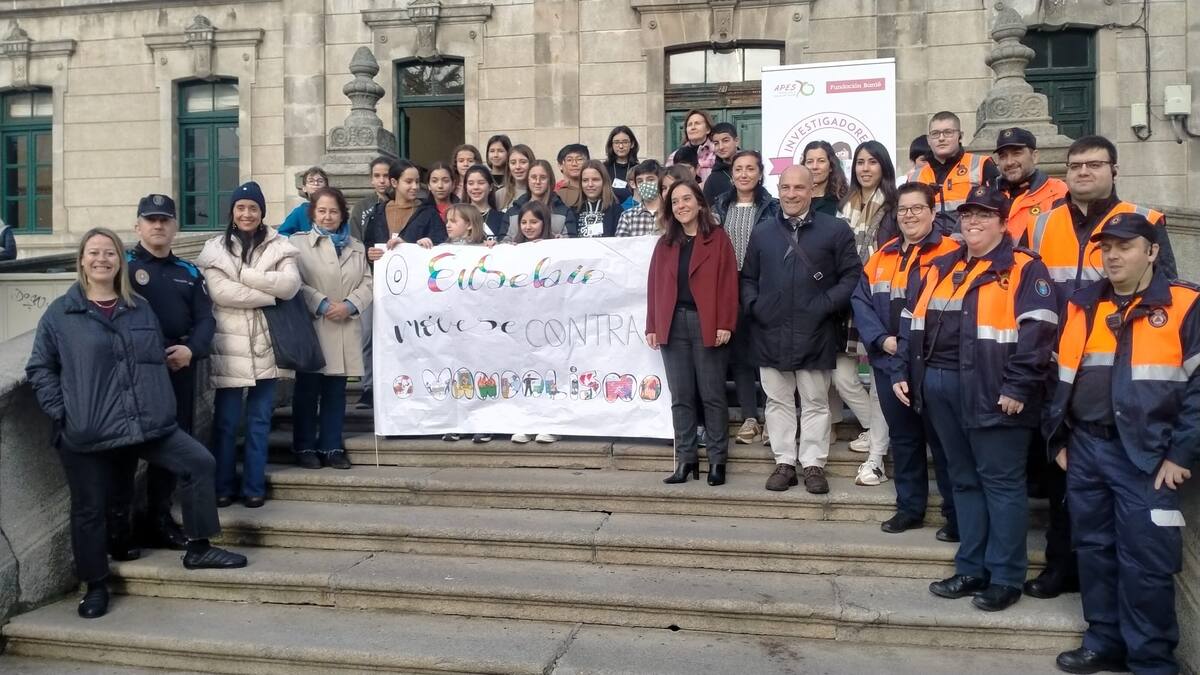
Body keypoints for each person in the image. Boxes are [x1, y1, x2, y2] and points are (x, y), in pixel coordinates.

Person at [27, 227, 248, 619]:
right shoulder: (62, 314)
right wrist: (63, 411)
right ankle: (95, 585)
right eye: (94, 253)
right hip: (89, 429)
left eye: (109, 253)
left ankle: (199, 548)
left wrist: (159, 396)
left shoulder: (138, 307)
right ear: (81, 260)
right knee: (89, 509)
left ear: (119, 261)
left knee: (198, 462)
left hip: (144, 422)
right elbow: (40, 368)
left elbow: (151, 357)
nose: (102, 259)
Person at [1024, 134, 1178, 602]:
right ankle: (1061, 566)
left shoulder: (1144, 220)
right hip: (1056, 366)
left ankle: (1106, 585)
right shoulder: (1042, 223)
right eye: (1075, 165)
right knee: (1059, 474)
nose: (1083, 172)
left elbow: (1165, 296)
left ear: (1114, 169)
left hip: (1117, 369)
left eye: (1094, 164)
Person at [1043, 212, 1198, 675]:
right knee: (1093, 551)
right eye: (1106, 247)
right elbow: (1059, 376)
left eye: (1124, 246)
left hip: (1148, 456)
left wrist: (1181, 452)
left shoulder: (1184, 304)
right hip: (1087, 450)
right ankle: (1104, 641)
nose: (1112, 255)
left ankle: (1151, 660)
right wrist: (1059, 438)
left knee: (1146, 562)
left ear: (1152, 252)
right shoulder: (1083, 304)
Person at [895, 187, 1057, 613]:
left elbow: (1039, 334)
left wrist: (1018, 387)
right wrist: (905, 374)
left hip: (995, 392)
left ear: (1003, 223)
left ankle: (1005, 577)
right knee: (963, 481)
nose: (973, 222)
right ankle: (971, 568)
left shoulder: (1025, 268)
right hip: (939, 389)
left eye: (984, 215)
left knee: (1001, 485)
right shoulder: (942, 266)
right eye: (967, 215)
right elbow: (912, 324)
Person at [741, 165, 861, 495]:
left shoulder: (835, 229)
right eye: (785, 187)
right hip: (770, 330)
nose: (791, 194)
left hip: (816, 329)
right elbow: (748, 277)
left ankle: (813, 465)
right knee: (777, 400)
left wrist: (825, 305)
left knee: (816, 401)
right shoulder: (763, 231)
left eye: (798, 188)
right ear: (778, 190)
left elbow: (852, 276)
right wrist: (755, 306)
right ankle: (784, 462)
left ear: (811, 191)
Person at [107, 194, 215, 554]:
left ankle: (160, 518)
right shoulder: (121, 266)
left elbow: (206, 319)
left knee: (175, 444)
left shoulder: (189, 272)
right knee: (124, 449)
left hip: (178, 367)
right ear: (137, 226)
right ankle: (119, 527)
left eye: (164, 220)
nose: (158, 225)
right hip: (132, 373)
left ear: (175, 227)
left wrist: (191, 350)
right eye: (151, 220)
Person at [852, 183, 959, 538]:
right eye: (903, 209)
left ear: (933, 212)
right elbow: (861, 301)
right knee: (904, 439)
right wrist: (882, 340)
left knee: (944, 442)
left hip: (934, 365)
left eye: (917, 208)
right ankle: (910, 508)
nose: (909, 215)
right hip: (889, 363)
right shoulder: (882, 255)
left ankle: (956, 514)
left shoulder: (953, 252)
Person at [196, 181, 302, 508]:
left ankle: (254, 486)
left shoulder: (280, 244)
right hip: (228, 346)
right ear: (232, 212)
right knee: (226, 422)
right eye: (240, 208)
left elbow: (290, 285)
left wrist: (244, 276)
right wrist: (268, 295)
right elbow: (220, 292)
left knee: (259, 422)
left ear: (261, 212)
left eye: (253, 208)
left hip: (267, 343)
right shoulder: (214, 248)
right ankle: (223, 485)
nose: (246, 214)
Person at [647, 180, 739, 486]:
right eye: (675, 202)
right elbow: (654, 287)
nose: (681, 206)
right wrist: (652, 325)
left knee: (712, 395)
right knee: (681, 396)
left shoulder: (718, 238)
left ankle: (717, 460)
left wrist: (725, 322)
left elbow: (729, 283)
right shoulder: (665, 244)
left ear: (699, 203)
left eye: (686, 199)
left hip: (706, 321)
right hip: (672, 324)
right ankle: (685, 460)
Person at [290, 187, 372, 470]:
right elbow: (294, 282)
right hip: (313, 326)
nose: (328, 216)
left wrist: (350, 304)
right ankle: (304, 446)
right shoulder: (297, 244)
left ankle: (331, 446)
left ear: (342, 214)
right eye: (322, 211)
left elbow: (368, 282)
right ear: (313, 213)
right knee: (307, 391)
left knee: (335, 393)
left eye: (333, 211)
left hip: (344, 326)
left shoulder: (356, 247)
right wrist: (322, 303)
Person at [834, 140, 899, 485]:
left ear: (883, 166)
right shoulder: (843, 206)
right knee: (842, 376)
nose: (865, 168)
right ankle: (876, 429)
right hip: (846, 301)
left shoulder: (894, 207)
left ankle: (876, 457)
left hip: (879, 301)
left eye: (872, 162)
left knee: (877, 382)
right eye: (860, 162)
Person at [359, 159, 447, 409]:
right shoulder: (377, 213)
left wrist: (423, 245)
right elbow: (367, 245)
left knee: (410, 338)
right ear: (394, 182)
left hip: (414, 293)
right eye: (408, 181)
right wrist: (370, 253)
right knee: (371, 335)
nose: (414, 187)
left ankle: (413, 384)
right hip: (381, 287)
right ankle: (370, 387)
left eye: (417, 182)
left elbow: (441, 246)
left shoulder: (428, 213)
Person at [711, 150, 778, 444]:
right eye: (738, 169)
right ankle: (750, 418)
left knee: (766, 353)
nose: (744, 174)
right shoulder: (719, 205)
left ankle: (773, 417)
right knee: (739, 355)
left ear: (760, 173)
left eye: (750, 169)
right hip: (729, 286)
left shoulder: (772, 207)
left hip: (763, 285)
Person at [508, 200, 559, 445]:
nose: (528, 227)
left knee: (550, 371)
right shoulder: (511, 249)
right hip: (521, 322)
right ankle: (524, 422)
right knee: (524, 371)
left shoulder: (558, 246)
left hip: (550, 321)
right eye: (524, 222)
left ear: (544, 223)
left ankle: (552, 423)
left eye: (534, 222)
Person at [915, 111, 999, 224]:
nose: (941, 138)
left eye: (948, 132)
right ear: (929, 140)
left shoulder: (981, 164)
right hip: (929, 235)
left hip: (969, 233)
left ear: (960, 136)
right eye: (935, 133)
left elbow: (998, 208)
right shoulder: (915, 176)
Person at [989, 127, 1068, 244]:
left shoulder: (1057, 191)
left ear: (1034, 156)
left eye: (1017, 153)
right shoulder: (988, 192)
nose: (1009, 162)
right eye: (1003, 156)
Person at [507, 160, 578, 237]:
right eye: (533, 177)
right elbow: (504, 240)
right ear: (528, 180)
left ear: (550, 180)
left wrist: (560, 240)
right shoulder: (513, 212)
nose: (538, 182)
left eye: (543, 178)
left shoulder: (564, 212)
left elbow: (570, 241)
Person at [667, 109, 717, 185]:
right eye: (690, 124)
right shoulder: (674, 156)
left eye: (697, 123)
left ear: (708, 129)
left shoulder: (717, 153)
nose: (693, 127)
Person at [350, 156, 394, 241]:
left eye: (386, 176)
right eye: (377, 176)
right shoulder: (361, 206)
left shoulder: (399, 204)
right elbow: (355, 239)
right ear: (372, 179)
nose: (382, 180)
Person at [616, 160, 664, 237]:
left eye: (650, 180)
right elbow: (620, 244)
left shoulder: (671, 213)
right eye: (640, 181)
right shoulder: (627, 216)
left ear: (661, 181)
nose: (645, 184)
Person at [461, 164, 509, 241]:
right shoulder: (458, 215)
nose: (476, 187)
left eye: (481, 183)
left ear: (490, 187)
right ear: (465, 187)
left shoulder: (502, 217)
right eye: (471, 183)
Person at [802, 140, 849, 217]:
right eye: (810, 162)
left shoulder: (843, 202)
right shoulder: (795, 199)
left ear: (831, 166)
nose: (814, 167)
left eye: (821, 161)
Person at [577, 160, 623, 237]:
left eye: (595, 179)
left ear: (604, 181)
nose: (590, 184)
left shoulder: (616, 210)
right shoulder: (574, 211)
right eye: (585, 180)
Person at [278, 166, 329, 236]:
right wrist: (300, 240)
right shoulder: (300, 212)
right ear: (304, 188)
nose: (316, 184)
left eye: (320, 181)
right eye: (311, 181)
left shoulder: (335, 209)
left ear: (326, 187)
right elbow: (282, 234)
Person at [702, 122, 739, 206]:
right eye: (716, 143)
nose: (721, 147)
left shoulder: (750, 167)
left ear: (736, 141)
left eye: (725, 141)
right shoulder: (712, 180)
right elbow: (707, 210)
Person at [603, 126, 639, 202]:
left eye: (625, 142)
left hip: (632, 208)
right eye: (616, 142)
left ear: (632, 144)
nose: (621, 146)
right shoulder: (603, 168)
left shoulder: (638, 169)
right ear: (611, 145)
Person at [497, 144, 534, 211]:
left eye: (523, 162)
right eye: (513, 163)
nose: (517, 167)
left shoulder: (539, 192)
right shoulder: (500, 195)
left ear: (531, 164)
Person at [555, 143, 589, 210]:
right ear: (560, 165)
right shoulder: (555, 194)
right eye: (569, 160)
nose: (574, 164)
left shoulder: (595, 189)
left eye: (579, 159)